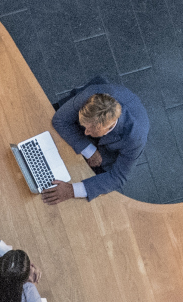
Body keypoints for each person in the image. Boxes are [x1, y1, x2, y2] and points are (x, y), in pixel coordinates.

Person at [42, 75, 148, 205]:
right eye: (85, 128)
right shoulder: (89, 96)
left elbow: (118, 177)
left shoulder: (135, 138)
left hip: (106, 154)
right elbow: (60, 120)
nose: (86, 133)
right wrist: (89, 149)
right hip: (75, 121)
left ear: (108, 127)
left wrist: (71, 190)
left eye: (91, 130)